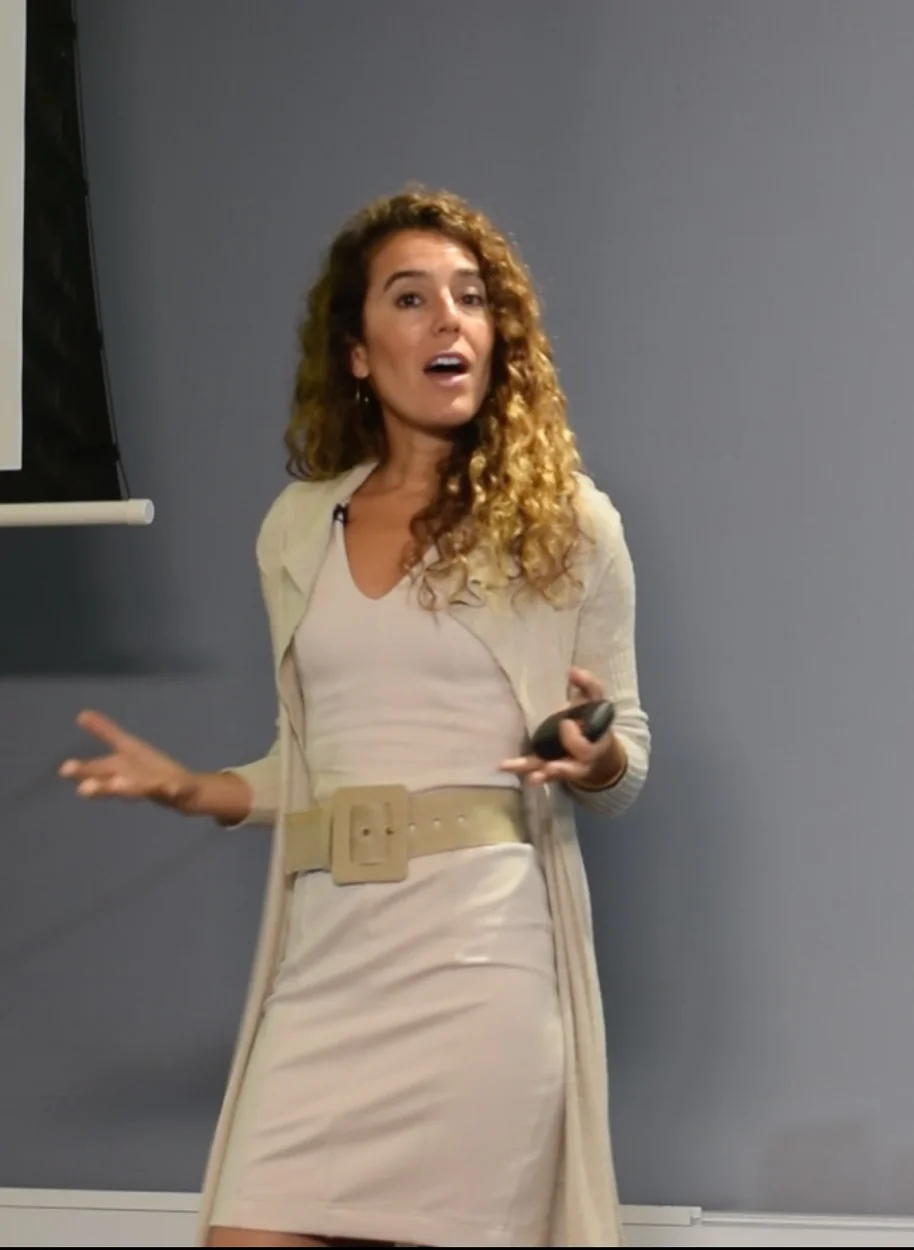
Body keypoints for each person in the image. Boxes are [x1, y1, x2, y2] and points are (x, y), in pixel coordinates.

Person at [59, 186, 651, 1249]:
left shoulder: (567, 522)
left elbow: (625, 757)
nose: (448, 319)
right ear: (357, 353)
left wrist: (595, 754)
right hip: (328, 963)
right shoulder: (295, 526)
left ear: (497, 336)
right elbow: (308, 763)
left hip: (482, 960)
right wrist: (189, 788)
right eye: (410, 297)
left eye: (470, 297)